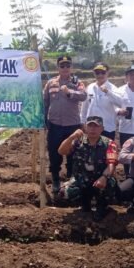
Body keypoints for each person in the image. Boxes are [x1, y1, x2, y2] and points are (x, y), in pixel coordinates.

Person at [58, 115, 118, 221]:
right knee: (64, 192)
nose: (92, 129)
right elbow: (61, 151)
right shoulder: (78, 141)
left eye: (96, 126)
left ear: (102, 129)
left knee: (110, 185)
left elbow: (111, 164)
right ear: (85, 127)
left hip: (100, 179)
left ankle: (102, 207)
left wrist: (104, 177)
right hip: (81, 179)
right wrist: (71, 137)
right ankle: (84, 204)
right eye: (90, 126)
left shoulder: (109, 143)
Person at [43, 55, 87, 192]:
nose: (65, 68)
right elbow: (45, 102)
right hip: (55, 124)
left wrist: (70, 92)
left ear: (71, 67)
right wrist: (44, 120)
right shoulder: (51, 83)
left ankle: (71, 179)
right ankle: (56, 179)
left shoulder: (77, 82)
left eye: (68, 65)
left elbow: (83, 96)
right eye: (62, 66)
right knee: (54, 153)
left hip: (72, 125)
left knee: (73, 153)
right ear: (58, 67)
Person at [84, 62, 124, 140]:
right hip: (91, 128)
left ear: (108, 73)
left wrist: (107, 92)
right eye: (97, 73)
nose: (100, 75)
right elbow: (85, 107)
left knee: (107, 148)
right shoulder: (90, 87)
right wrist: (82, 122)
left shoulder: (113, 88)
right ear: (94, 73)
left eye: (103, 72)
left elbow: (120, 103)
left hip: (107, 128)